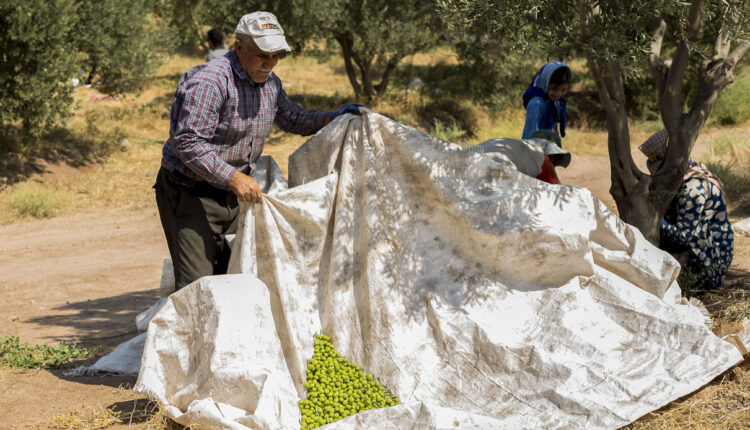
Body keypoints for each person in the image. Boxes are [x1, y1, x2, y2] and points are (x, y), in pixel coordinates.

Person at [155, 11, 362, 290]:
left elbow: (293, 118)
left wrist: (333, 117)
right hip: (191, 192)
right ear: (239, 47)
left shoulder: (270, 84)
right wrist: (234, 177)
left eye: (276, 56)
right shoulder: (211, 82)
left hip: (233, 195)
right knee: (198, 287)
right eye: (263, 55)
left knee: (234, 275)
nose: (270, 63)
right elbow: (188, 142)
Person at [639, 129, 734, 289]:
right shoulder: (681, 178)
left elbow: (683, 236)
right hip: (697, 251)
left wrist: (652, 218)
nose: (650, 165)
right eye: (648, 161)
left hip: (710, 264)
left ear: (669, 159)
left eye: (654, 159)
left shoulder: (693, 187)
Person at [476, 130, 571, 184]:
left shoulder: (518, 149)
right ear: (552, 155)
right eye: (556, 160)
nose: (554, 167)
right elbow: (556, 193)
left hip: (472, 155)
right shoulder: (541, 157)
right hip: (497, 164)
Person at [522, 62, 572, 141]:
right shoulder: (536, 104)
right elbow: (530, 137)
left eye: (563, 90)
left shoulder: (554, 103)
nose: (558, 94)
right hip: (534, 147)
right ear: (545, 83)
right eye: (554, 89)